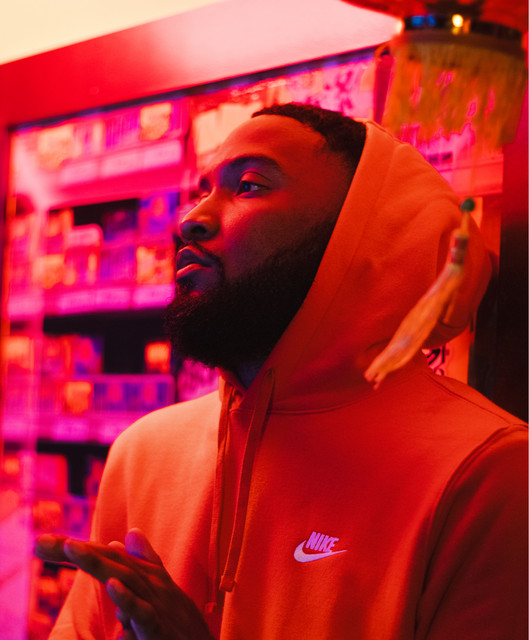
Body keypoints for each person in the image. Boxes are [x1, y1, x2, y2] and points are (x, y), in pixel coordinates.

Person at [35, 103, 527, 640]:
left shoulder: (488, 472)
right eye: (203, 190)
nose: (190, 219)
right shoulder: (144, 451)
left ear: (362, 234)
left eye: (248, 186)